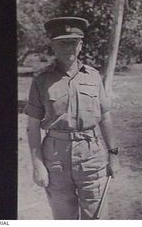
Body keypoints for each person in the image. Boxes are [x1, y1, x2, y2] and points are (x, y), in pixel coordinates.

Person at [24, 17, 119, 220]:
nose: (69, 48)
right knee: (63, 219)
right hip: (56, 158)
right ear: (52, 45)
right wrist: (38, 164)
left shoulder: (93, 76)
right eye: (62, 42)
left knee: (97, 219)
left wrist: (113, 155)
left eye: (74, 42)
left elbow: (105, 116)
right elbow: (32, 127)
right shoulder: (41, 80)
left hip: (92, 156)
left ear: (81, 45)